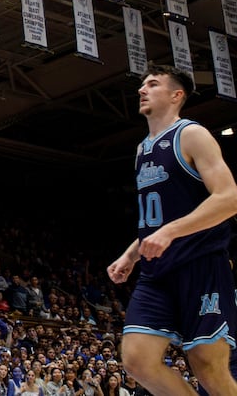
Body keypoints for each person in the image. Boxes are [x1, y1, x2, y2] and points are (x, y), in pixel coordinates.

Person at [107, 65, 237, 396]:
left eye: (152, 84)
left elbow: (229, 197)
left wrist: (171, 232)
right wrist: (131, 253)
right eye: (141, 84)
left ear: (176, 95)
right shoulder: (142, 150)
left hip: (201, 263)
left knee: (208, 367)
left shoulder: (191, 134)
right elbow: (157, 219)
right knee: (136, 360)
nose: (142, 89)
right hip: (157, 272)